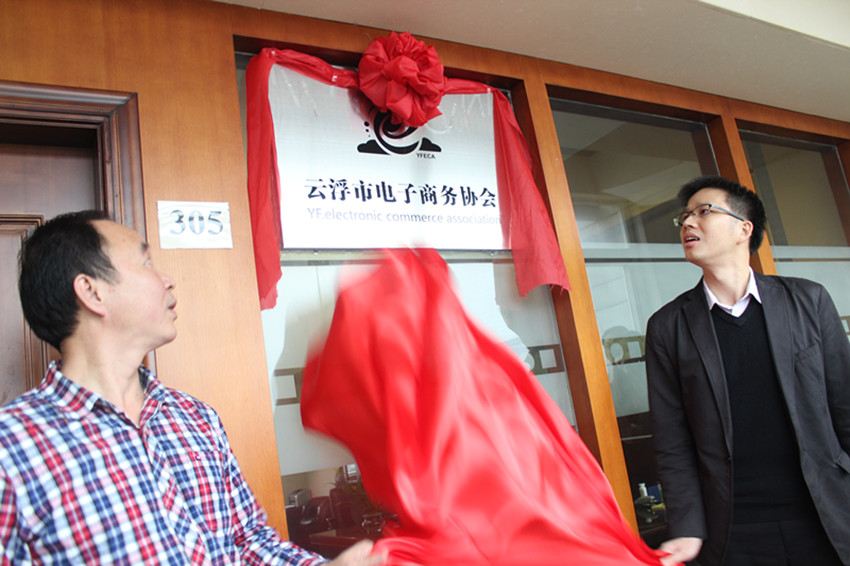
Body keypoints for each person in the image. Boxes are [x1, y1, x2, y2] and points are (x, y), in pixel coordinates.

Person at [1, 210, 386, 566]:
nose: (167, 279)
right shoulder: (13, 447)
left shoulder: (195, 417)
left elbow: (247, 542)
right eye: (146, 262)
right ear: (92, 291)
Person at [645, 175, 850, 566]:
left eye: (704, 211)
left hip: (826, 515)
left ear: (744, 229)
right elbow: (672, 439)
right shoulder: (668, 326)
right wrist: (687, 526)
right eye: (684, 217)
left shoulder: (808, 300)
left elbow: (844, 404)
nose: (688, 222)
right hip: (733, 529)